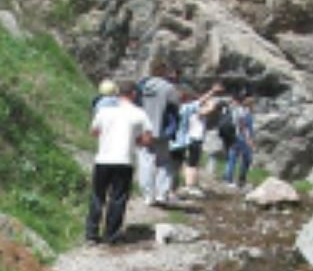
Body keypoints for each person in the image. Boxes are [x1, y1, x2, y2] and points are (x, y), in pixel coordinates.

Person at [86, 80, 154, 244]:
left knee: (97, 196)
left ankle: (91, 234)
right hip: (124, 160)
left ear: (117, 94)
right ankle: (111, 234)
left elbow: (94, 132)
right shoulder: (139, 113)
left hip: (103, 159)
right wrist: (135, 139)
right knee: (118, 198)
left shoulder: (104, 112)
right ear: (133, 94)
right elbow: (148, 139)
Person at [136, 62, 180, 206]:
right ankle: (162, 193)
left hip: (144, 130)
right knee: (164, 162)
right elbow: (175, 108)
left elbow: (136, 105)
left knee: (145, 161)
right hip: (162, 130)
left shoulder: (142, 86)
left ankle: (148, 195)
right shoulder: (169, 88)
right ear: (164, 72)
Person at [175, 83, 225, 198]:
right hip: (193, 138)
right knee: (192, 163)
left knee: (191, 163)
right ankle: (189, 186)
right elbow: (208, 110)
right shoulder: (192, 109)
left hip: (194, 138)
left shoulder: (190, 108)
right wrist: (212, 100)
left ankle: (189, 184)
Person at [223, 95, 256, 188]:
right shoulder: (247, 114)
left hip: (233, 137)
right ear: (251, 105)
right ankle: (241, 180)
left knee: (232, 158)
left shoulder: (236, 111)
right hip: (242, 139)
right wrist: (249, 141)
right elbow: (245, 128)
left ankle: (227, 178)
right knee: (246, 159)